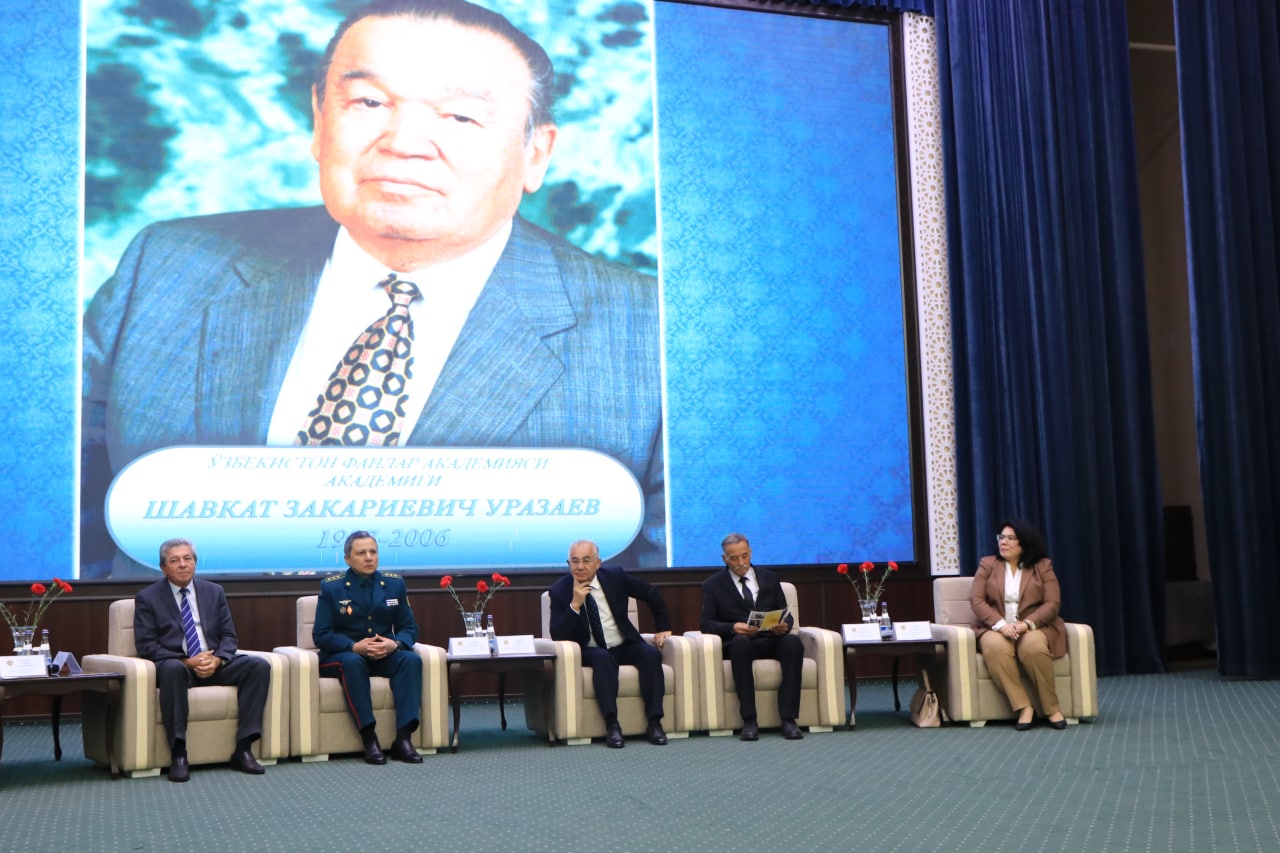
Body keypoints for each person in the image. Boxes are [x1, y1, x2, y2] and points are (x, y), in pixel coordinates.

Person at [80, 0, 663, 578]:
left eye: (460, 117)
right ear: (320, 120)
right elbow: (62, 525)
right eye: (369, 102)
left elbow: (665, 585)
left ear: (535, 153)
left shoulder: (649, 331)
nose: (404, 142)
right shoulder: (167, 266)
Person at [132, 538, 271, 782]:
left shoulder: (214, 592)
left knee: (258, 666)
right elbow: (147, 645)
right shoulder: (148, 597)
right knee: (172, 670)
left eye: (188, 559)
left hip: (213, 662)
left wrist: (217, 660)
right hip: (180, 666)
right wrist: (188, 661)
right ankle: (178, 754)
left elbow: (229, 636)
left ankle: (243, 749)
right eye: (175, 560)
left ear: (195, 563)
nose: (183, 564)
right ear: (164, 568)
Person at [547, 539, 672, 748]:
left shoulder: (615, 577)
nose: (580, 567)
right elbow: (557, 634)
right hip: (588, 650)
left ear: (598, 563)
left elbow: (651, 593)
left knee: (650, 655)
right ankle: (612, 725)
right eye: (575, 561)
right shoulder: (559, 591)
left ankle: (655, 722)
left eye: (586, 560)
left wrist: (663, 627)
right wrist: (575, 605)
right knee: (603, 658)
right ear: (568, 564)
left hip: (622, 644)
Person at [314, 530, 425, 763]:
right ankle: (369, 738)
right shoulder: (332, 588)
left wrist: (394, 644)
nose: (368, 558)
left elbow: (409, 628)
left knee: (411, 659)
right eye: (361, 553)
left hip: (384, 653)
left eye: (373, 552)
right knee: (353, 663)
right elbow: (321, 635)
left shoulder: (394, 584)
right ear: (347, 559)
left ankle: (403, 739)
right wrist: (353, 646)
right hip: (345, 655)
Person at [699, 533, 804, 741]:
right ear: (724, 559)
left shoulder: (769, 578)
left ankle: (789, 719)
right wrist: (733, 628)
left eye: (745, 556)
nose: (741, 563)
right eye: (734, 558)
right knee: (740, 644)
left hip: (771, 637)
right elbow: (706, 624)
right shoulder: (713, 585)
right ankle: (749, 720)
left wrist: (784, 626)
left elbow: (786, 614)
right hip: (741, 642)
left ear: (751, 553)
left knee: (793, 643)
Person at [969, 519, 1069, 731]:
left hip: (1033, 627)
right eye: (1001, 537)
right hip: (995, 627)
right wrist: (1000, 625)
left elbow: (1052, 604)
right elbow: (977, 601)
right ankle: (1024, 707)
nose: (1003, 542)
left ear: (1024, 543)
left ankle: (1051, 708)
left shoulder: (1043, 566)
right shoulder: (988, 564)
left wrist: (1027, 624)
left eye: (1010, 538)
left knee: (1033, 647)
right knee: (995, 647)